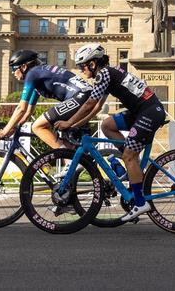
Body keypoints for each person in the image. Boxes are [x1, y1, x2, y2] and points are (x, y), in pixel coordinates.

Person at [56, 43, 166, 223]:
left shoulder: (103, 75)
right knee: (107, 125)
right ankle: (130, 162)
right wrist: (78, 124)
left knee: (130, 156)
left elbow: (90, 103)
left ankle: (140, 202)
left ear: (92, 64)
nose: (81, 70)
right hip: (141, 111)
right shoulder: (108, 73)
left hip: (149, 112)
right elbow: (98, 106)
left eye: (82, 66)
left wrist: (68, 122)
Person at [0, 49, 92, 151]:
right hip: (86, 96)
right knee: (69, 144)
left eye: (14, 68)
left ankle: (68, 158)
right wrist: (14, 127)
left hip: (81, 96)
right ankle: (76, 161)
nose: (13, 73)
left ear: (24, 67)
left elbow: (21, 108)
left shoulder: (32, 74)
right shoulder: (38, 75)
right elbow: (28, 112)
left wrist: (4, 131)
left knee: (37, 127)